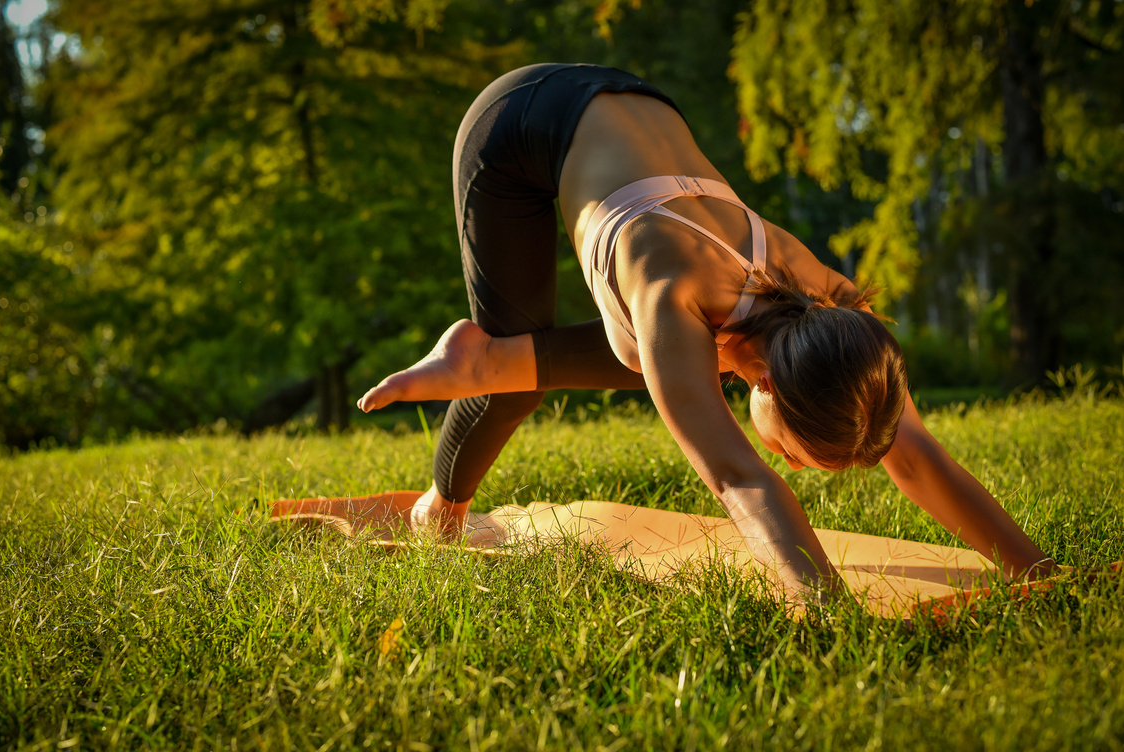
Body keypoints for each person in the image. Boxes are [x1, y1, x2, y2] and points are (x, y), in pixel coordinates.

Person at [357, 63, 1055, 606]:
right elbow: (736, 475)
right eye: (802, 454)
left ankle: (490, 358)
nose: (797, 469)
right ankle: (443, 495)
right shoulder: (674, 295)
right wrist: (824, 607)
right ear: (776, 385)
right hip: (514, 127)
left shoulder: (835, 310)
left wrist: (1041, 571)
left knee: (683, 364)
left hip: (630, 109)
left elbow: (916, 451)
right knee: (531, 392)